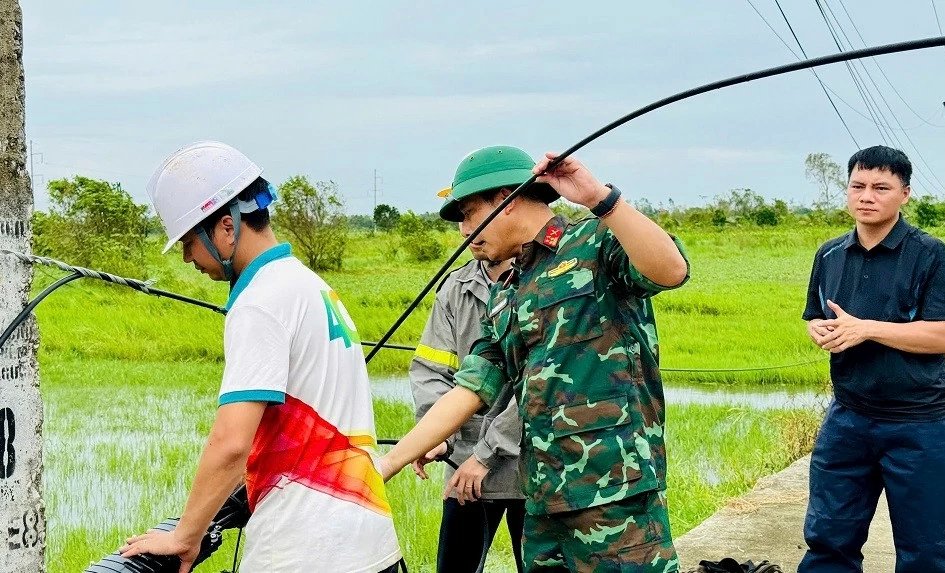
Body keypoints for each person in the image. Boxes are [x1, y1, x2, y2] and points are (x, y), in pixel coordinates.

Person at [381, 145, 690, 572]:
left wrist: (599, 198)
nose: (464, 231)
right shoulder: (506, 292)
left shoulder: (594, 244)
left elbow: (670, 270)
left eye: (469, 213)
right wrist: (388, 463)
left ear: (505, 200)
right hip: (543, 504)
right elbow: (472, 387)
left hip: (615, 500)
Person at [120, 141, 403, 573]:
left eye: (189, 242)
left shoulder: (259, 301)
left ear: (226, 228)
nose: (187, 257)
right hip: (371, 544)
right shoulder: (313, 286)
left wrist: (185, 536)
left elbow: (231, 441)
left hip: (304, 552)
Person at [799, 145, 945, 573]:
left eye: (881, 187)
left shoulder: (932, 255)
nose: (867, 196)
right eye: (858, 186)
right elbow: (817, 317)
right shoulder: (829, 254)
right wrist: (818, 331)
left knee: (927, 552)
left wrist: (866, 328)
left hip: (923, 423)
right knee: (828, 541)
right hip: (848, 419)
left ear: (905, 194)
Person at [410, 195, 524, 572]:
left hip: (536, 467)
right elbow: (431, 368)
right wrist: (436, 434)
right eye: (460, 219)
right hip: (465, 472)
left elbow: (543, 388)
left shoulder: (545, 282)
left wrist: (488, 453)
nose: (465, 230)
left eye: (473, 216)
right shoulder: (454, 288)